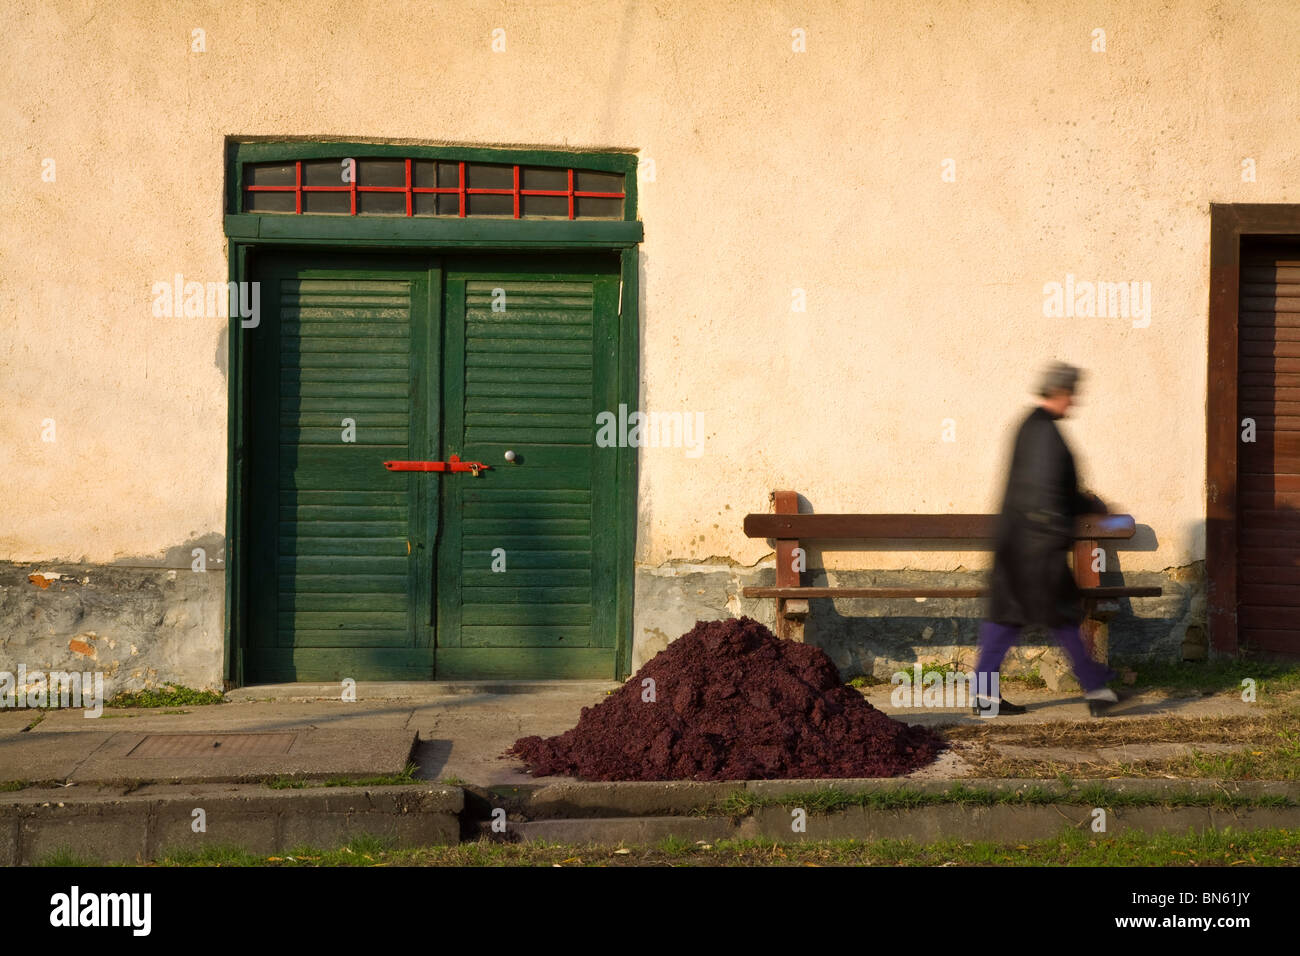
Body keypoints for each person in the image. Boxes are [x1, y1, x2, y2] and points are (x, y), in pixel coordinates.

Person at [972, 362, 1120, 718]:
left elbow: (1056, 491)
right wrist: (1070, 522)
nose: (1076, 401)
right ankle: (1098, 689)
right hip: (1035, 551)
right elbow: (1048, 495)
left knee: (1008, 620)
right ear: (1062, 393)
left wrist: (1088, 504)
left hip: (1020, 547)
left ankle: (984, 697)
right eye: (1073, 393)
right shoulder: (1043, 433)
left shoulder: (1033, 427)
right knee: (1062, 618)